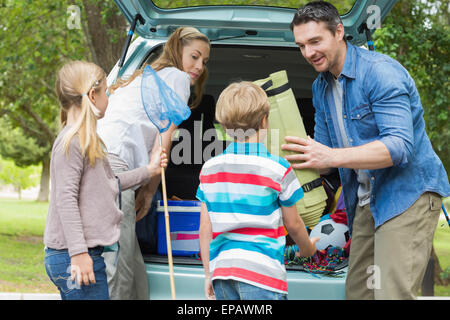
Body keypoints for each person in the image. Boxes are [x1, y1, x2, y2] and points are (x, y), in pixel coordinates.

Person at [283, 1, 450, 300]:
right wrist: (285, 158)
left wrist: (330, 156)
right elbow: (324, 161)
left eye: (315, 41)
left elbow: (398, 147)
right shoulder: (321, 88)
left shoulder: (381, 73)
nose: (308, 53)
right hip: (365, 200)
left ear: (338, 32)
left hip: (406, 195)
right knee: (360, 292)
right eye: (301, 46)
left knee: (390, 294)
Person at [97, 27, 210, 300]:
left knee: (133, 269)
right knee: (118, 267)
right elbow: (164, 140)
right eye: (194, 56)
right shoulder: (178, 78)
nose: (198, 66)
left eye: (204, 61)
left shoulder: (144, 78)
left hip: (105, 161)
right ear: (176, 49)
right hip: (113, 166)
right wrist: (148, 192)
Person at [43, 60, 168, 300]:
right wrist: (79, 254)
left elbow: (111, 181)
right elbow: (65, 200)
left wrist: (149, 170)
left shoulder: (86, 141)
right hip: (74, 256)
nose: (108, 98)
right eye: (107, 92)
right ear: (92, 95)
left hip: (82, 254)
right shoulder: (72, 143)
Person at [197, 81, 318, 300]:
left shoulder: (209, 169)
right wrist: (308, 249)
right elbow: (293, 224)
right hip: (262, 274)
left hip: (223, 273)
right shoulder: (278, 168)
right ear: (265, 120)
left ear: (223, 125)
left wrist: (208, 274)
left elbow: (205, 227)